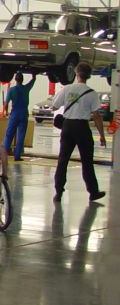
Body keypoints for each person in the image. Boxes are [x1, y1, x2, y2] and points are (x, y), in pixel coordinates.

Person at [52, 61, 106, 202]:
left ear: (76, 73)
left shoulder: (67, 89)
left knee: (62, 161)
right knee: (87, 161)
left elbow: (54, 106)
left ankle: (58, 192)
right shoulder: (92, 93)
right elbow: (96, 116)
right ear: (89, 76)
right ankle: (93, 192)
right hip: (82, 127)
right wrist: (102, 135)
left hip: (67, 126)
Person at [2, 70, 36, 160]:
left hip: (15, 114)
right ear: (22, 80)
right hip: (24, 114)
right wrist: (34, 75)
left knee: (9, 134)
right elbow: (32, 82)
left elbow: (6, 104)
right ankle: (17, 156)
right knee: (21, 135)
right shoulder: (26, 88)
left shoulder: (11, 90)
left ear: (15, 80)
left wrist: (6, 112)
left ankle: (4, 154)